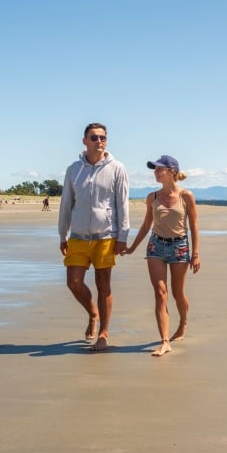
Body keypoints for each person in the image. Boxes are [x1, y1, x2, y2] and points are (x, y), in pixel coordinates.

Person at [58, 123, 130, 352]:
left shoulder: (117, 168)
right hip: (78, 235)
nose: (99, 141)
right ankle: (93, 313)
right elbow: (66, 203)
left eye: (103, 137)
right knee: (73, 282)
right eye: (94, 137)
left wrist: (123, 236)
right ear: (85, 141)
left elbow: (122, 204)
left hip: (106, 235)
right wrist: (63, 234)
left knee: (103, 283)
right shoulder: (73, 170)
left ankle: (104, 333)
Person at [125, 154, 200, 357]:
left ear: (172, 172)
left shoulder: (186, 196)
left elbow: (193, 226)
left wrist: (195, 253)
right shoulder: (153, 197)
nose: (156, 172)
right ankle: (165, 341)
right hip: (156, 246)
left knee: (177, 293)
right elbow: (146, 225)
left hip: (179, 247)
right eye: (155, 169)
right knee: (160, 294)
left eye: (160, 169)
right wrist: (132, 247)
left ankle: (183, 323)